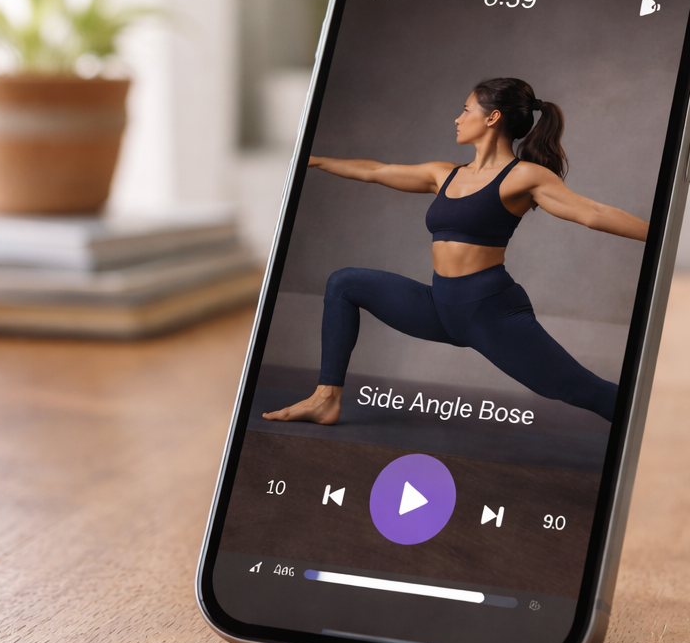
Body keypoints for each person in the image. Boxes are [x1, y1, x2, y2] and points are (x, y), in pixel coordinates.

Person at [263, 77, 648, 426]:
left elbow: (594, 213)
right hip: (438, 306)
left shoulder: (524, 176)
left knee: (579, 389)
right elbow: (376, 170)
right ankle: (325, 399)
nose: (457, 118)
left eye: (466, 109)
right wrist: (310, 161)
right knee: (345, 283)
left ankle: (644, 428)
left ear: (493, 117)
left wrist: (660, 235)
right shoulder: (442, 173)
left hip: (489, 312)